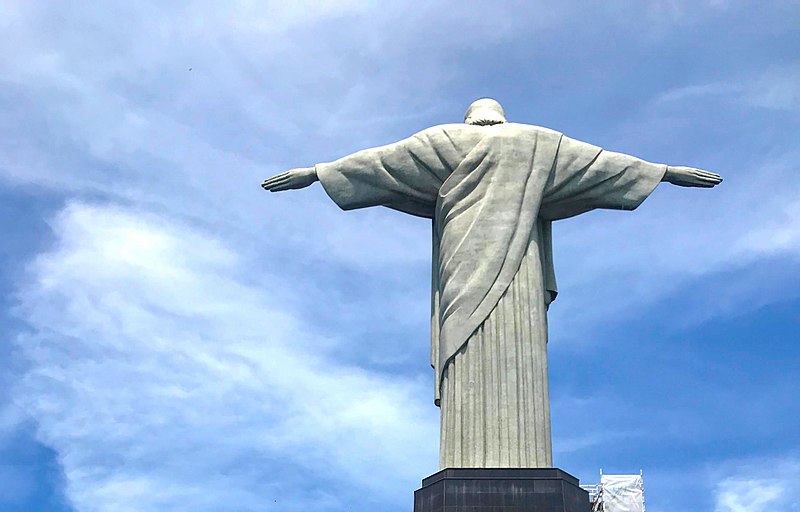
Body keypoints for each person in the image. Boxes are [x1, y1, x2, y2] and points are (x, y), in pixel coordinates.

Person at [263, 101, 720, 470]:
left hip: (461, 265)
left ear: (470, 120)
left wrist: (317, 171)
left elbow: (378, 165)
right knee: (509, 349)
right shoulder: (538, 142)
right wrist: (663, 171)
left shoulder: (441, 141)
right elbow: (602, 166)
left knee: (476, 347)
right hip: (521, 267)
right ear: (502, 118)